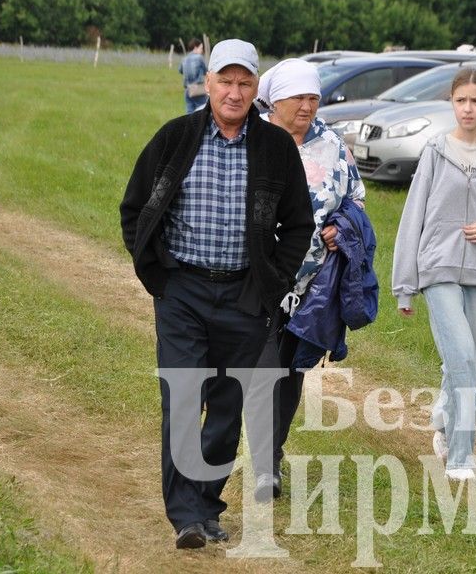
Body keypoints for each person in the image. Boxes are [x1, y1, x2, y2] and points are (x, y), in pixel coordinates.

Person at [120, 39, 314, 550]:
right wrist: (158, 278)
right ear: (207, 83)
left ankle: (206, 504)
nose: (233, 92)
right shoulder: (175, 138)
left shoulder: (275, 149)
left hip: (245, 295)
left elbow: (299, 225)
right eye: (224, 81)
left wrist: (273, 283)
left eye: (244, 82)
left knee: (228, 409)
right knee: (183, 398)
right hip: (181, 291)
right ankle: (185, 514)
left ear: (257, 89)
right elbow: (135, 208)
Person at [392, 68, 476, 481]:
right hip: (438, 267)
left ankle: (442, 415)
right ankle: (460, 456)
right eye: (460, 100)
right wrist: (405, 286)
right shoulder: (435, 152)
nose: (467, 109)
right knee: (463, 358)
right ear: (452, 103)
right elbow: (412, 217)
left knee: (474, 365)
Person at [249, 58, 367, 501]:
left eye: (313, 98)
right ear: (274, 99)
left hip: (310, 285)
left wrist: (343, 225)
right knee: (260, 370)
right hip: (253, 278)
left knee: (289, 371)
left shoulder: (333, 144)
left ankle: (269, 458)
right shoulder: (251, 137)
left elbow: (357, 197)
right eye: (298, 97)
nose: (306, 106)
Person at [179, 38, 208, 113]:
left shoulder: (184, 59)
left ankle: (188, 125)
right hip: (198, 88)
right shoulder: (199, 58)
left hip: (187, 89)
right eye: (201, 48)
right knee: (201, 112)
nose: (202, 51)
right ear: (195, 47)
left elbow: (180, 70)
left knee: (189, 112)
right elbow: (206, 71)